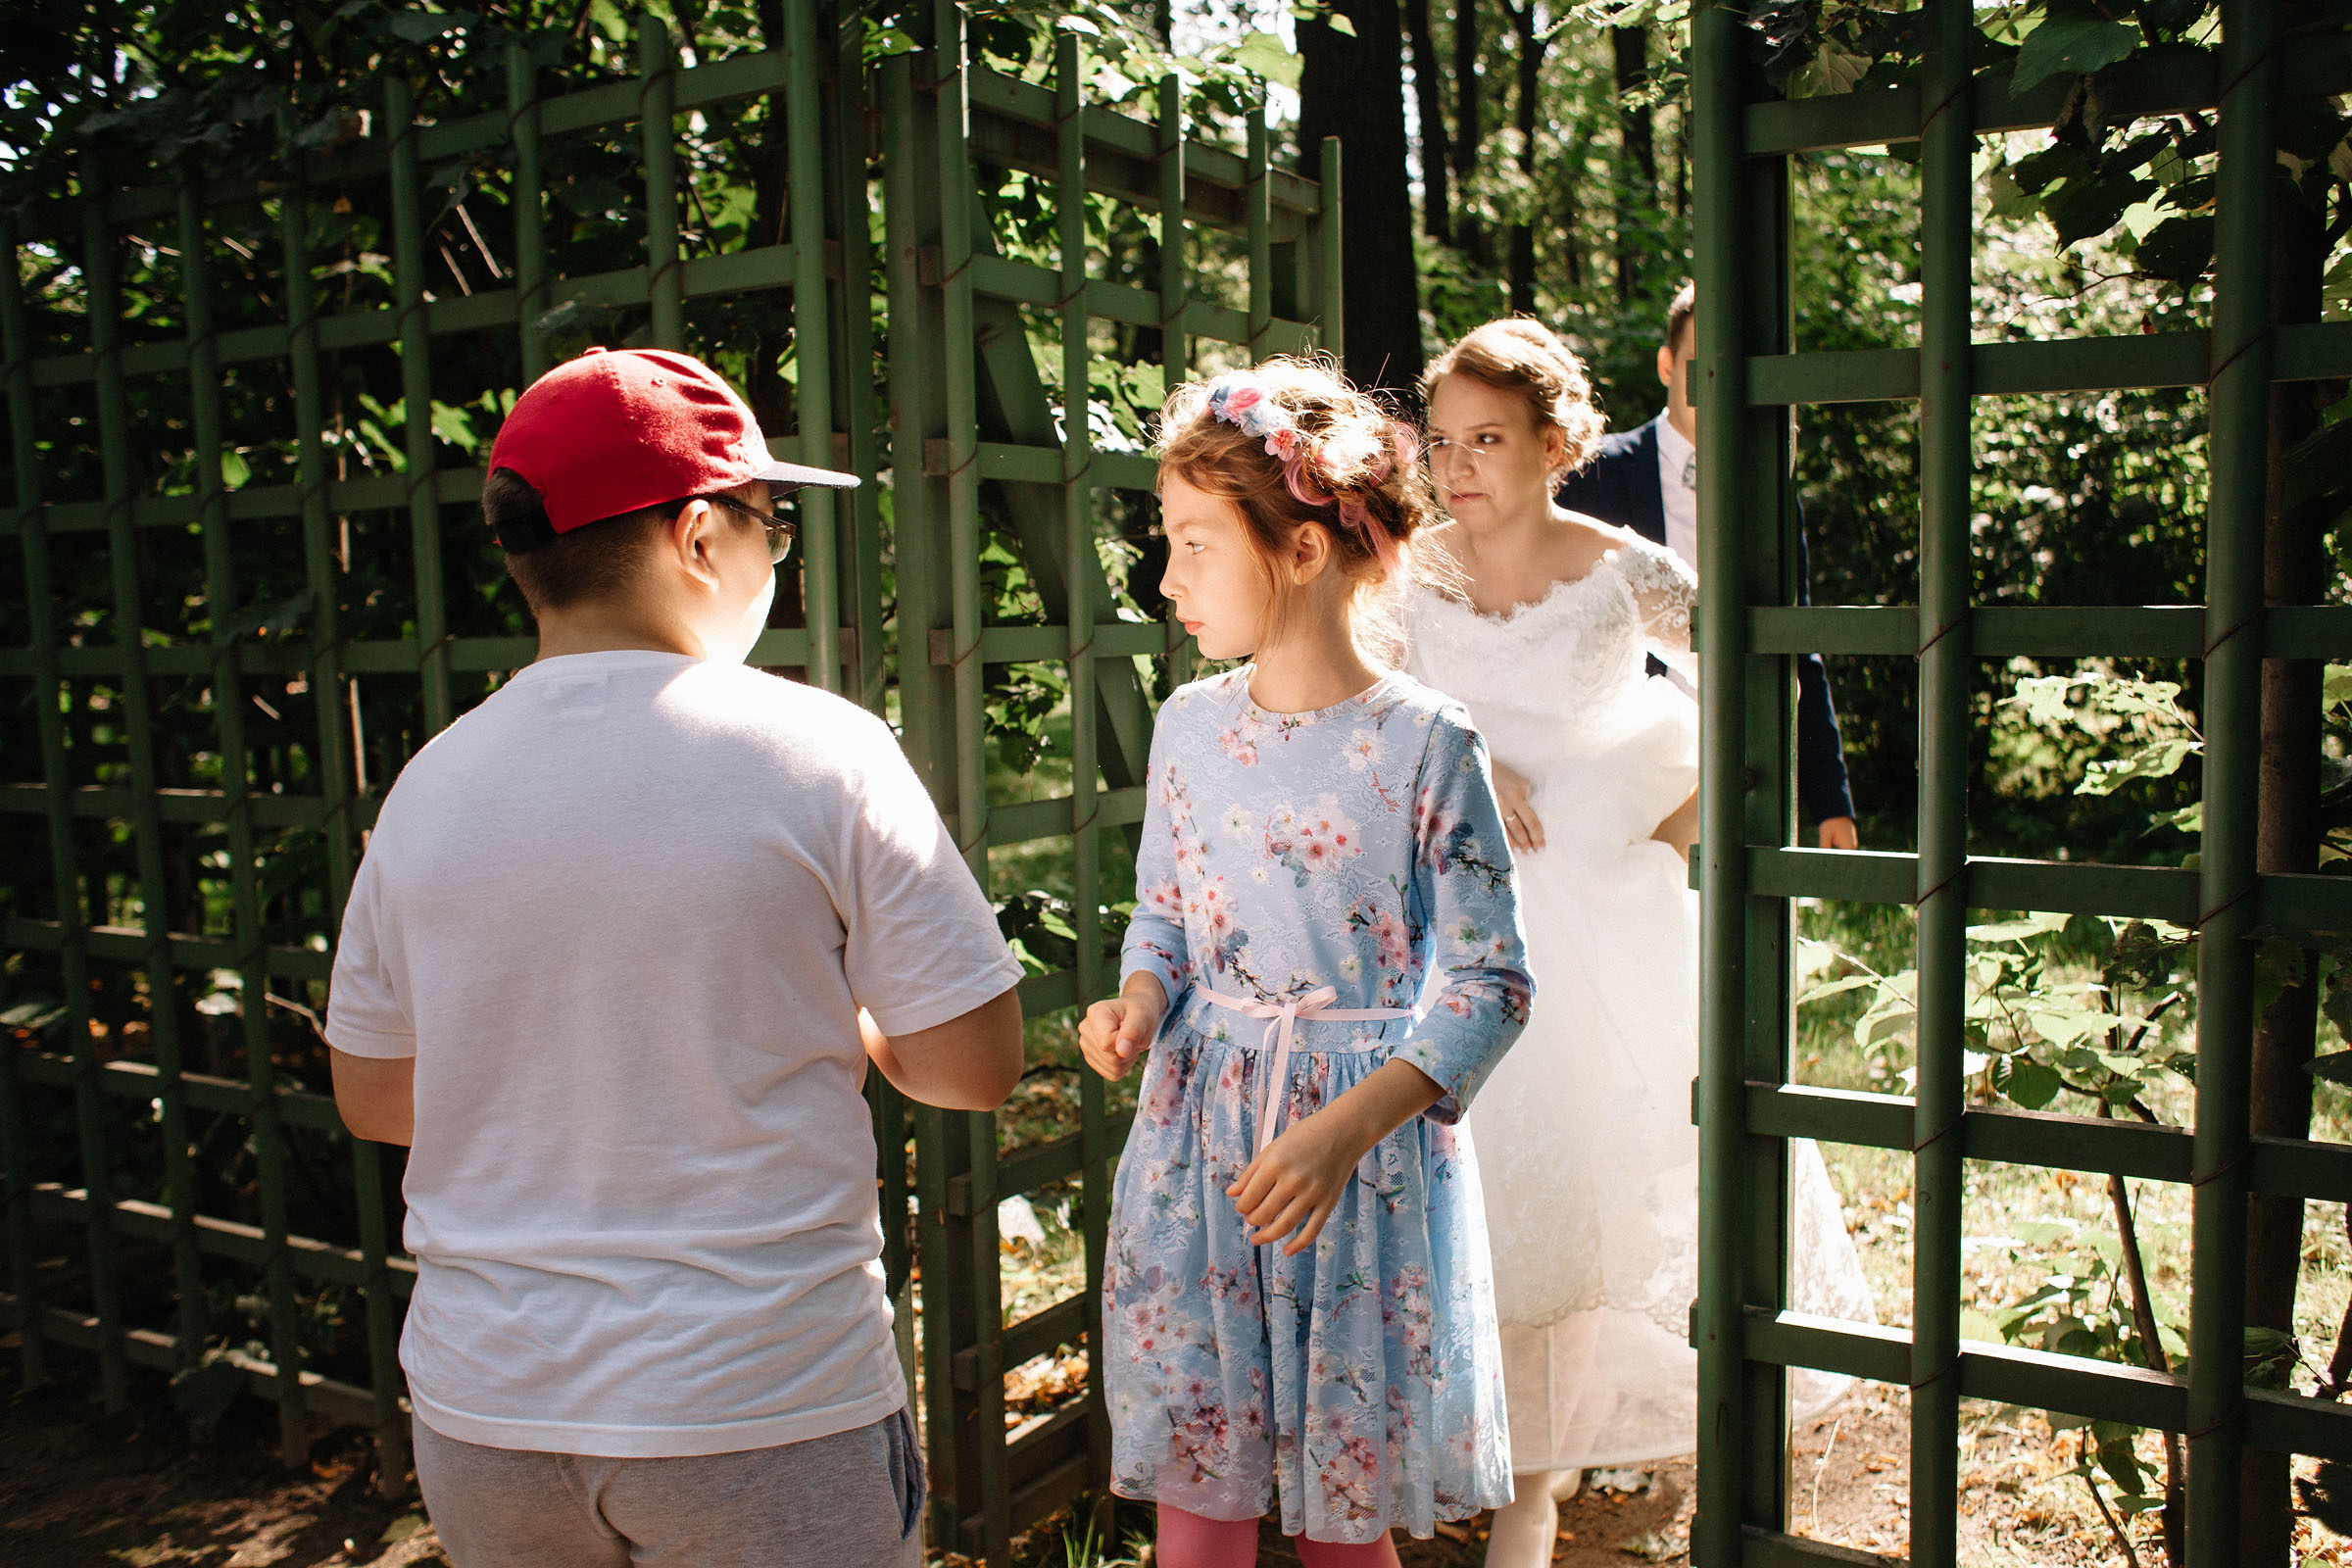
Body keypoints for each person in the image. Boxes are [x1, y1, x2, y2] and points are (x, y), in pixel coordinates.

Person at [324, 346, 1026, 1568]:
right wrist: (838, 1030)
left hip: (490, 1411)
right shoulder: (821, 752)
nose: (776, 551)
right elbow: (973, 1063)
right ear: (701, 537)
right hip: (765, 1403)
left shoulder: (431, 785)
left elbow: (375, 1093)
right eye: (774, 520)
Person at [1408, 319, 1876, 1568]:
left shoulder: (1622, 568)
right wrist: (1464, 750)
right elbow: (1365, 695)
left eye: (1487, 440)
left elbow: (1754, 682)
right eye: (1442, 441)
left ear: (1556, 443)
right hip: (1442, 912)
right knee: (1470, 1178)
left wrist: (1672, 830)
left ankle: (1534, 1485)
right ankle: (1462, 1433)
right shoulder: (1406, 573)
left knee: (1589, 1180)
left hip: (1599, 914)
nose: (1456, 466)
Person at [1078, 359, 1533, 1567]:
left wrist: (1346, 1134)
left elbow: (1491, 983)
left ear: (1302, 551)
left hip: (1359, 1166)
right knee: (1200, 1507)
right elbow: (1164, 915)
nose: (1166, 577)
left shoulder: (1428, 743)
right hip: (1200, 1156)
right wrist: (1137, 998)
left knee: (1344, 1525)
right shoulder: (1188, 726)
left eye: (1191, 543)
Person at [1555, 281, 1860, 850]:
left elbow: (1798, 643)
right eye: (1702, 363)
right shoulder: (1594, 474)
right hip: (1619, 761)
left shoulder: (1770, 490)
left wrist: (1830, 800)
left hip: (1746, 762)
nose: (1718, 381)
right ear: (1667, 364)